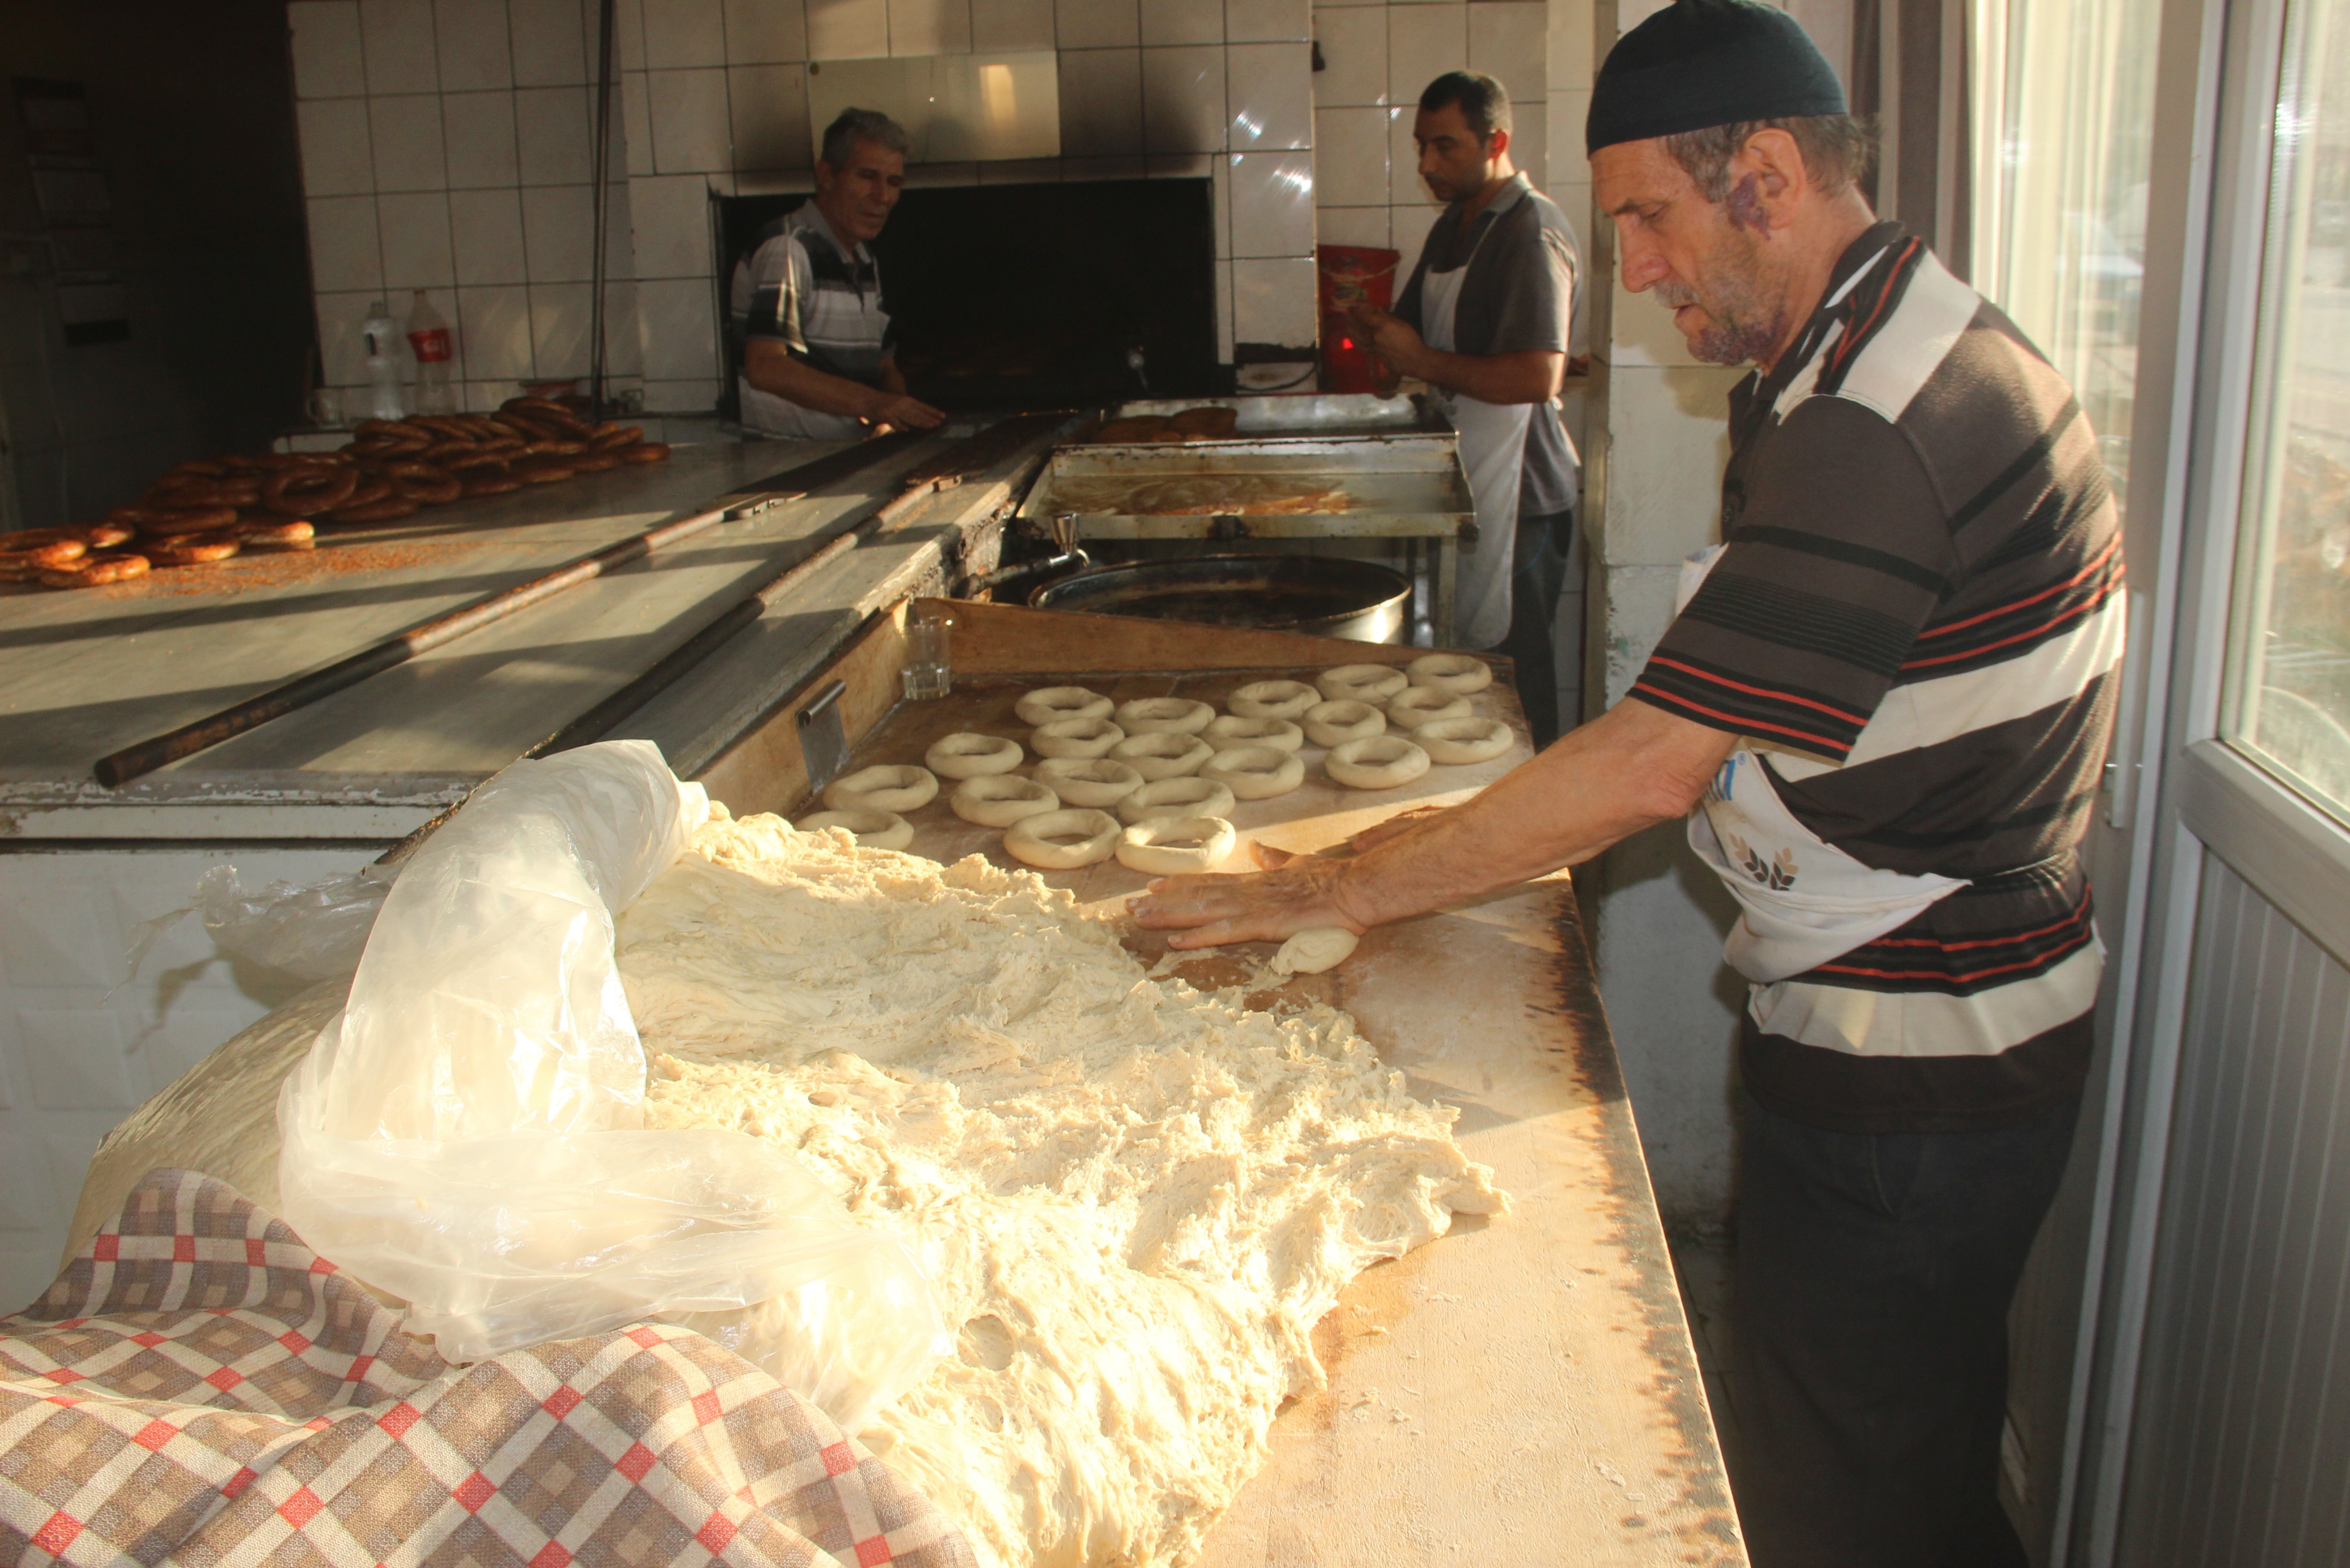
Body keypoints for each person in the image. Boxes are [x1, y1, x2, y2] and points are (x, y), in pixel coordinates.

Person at [1133, 3, 2124, 1563]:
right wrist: (1433, 838)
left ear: (1766, 174)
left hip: (1917, 1047)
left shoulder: (1877, 415)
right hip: (1910, 1018)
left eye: (1650, 218)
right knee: (1891, 1445)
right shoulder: (1863, 355)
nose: (1639, 269)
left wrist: (1344, 885)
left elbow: (1659, 758)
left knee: (1850, 1494)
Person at [1348, 71, 1586, 746]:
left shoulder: (1529, 231)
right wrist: (1382, 346)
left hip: (1523, 498)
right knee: (1471, 676)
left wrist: (1421, 361)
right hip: (1469, 484)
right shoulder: (1453, 228)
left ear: (1496, 142)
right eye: (1421, 146)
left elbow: (1539, 375)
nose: (1427, 164)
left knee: (1517, 680)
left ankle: (1539, 807)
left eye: (1445, 146)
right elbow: (1413, 342)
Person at [729, 108, 944, 440]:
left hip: (850, 461)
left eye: (894, 182)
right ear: (827, 175)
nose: (883, 196)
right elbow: (766, 367)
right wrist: (876, 405)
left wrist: (894, 414)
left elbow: (884, 366)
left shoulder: (864, 259)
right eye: (867, 176)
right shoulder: (788, 249)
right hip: (792, 467)